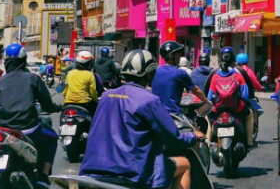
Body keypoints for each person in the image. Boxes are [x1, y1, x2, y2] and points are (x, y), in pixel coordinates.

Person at [80, 49, 201, 189]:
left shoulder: (107, 97)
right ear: (150, 74)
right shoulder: (150, 100)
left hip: (93, 172)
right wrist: (192, 136)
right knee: (184, 164)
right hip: (132, 174)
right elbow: (173, 138)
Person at [0, 43, 61, 188]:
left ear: (6, 62)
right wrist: (57, 107)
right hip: (29, 129)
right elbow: (47, 104)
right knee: (52, 137)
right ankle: (43, 176)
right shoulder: (33, 79)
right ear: (23, 61)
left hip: (3, 131)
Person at [203, 47, 253, 147]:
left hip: (218, 109)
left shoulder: (215, 76)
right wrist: (240, 102)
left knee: (208, 118)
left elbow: (209, 96)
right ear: (233, 60)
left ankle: (207, 145)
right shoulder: (238, 75)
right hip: (236, 108)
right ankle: (249, 142)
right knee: (249, 115)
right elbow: (245, 95)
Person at [152, 41, 210, 119]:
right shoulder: (180, 73)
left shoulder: (154, 72)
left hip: (156, 116)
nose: (180, 56)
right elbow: (195, 90)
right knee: (194, 128)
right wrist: (206, 101)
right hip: (174, 116)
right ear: (171, 56)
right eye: (178, 53)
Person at [63, 51, 103, 116]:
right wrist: (95, 100)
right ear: (89, 63)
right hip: (85, 103)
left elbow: (64, 90)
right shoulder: (90, 75)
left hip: (68, 103)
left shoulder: (70, 73)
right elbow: (93, 92)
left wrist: (68, 98)